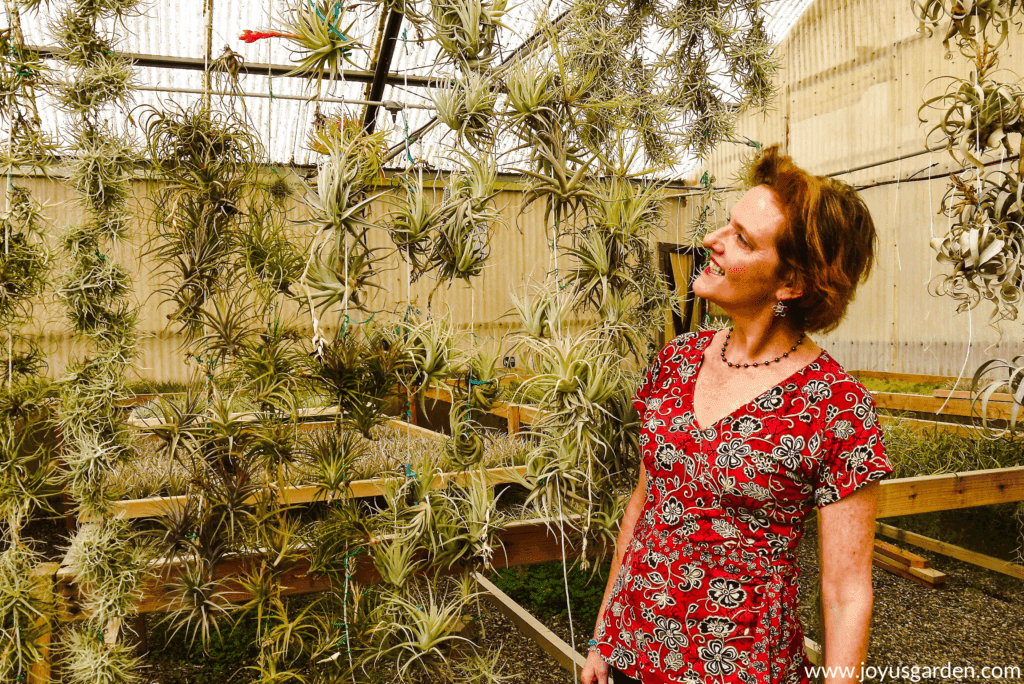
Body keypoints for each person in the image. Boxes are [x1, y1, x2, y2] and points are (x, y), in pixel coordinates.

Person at [580, 144, 895, 684]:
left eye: (742, 239)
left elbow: (846, 592)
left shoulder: (836, 408)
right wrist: (601, 637)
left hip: (742, 671)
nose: (712, 241)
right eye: (728, 223)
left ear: (789, 284)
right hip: (631, 655)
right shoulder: (676, 360)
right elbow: (642, 509)